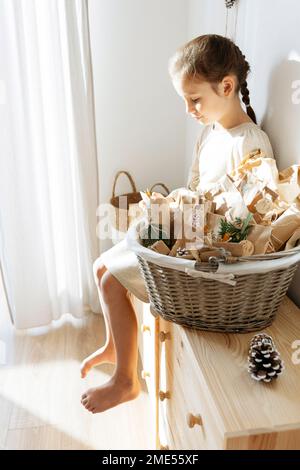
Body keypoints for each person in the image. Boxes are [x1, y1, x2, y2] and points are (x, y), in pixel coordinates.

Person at [80, 34, 274, 414]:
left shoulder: (250, 142)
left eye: (195, 99)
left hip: (208, 254)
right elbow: (195, 189)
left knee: (109, 278)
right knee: (100, 264)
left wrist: (182, 226)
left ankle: (125, 380)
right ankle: (115, 343)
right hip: (188, 228)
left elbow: (247, 219)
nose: (188, 109)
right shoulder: (210, 134)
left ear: (227, 86)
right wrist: (166, 211)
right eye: (184, 100)